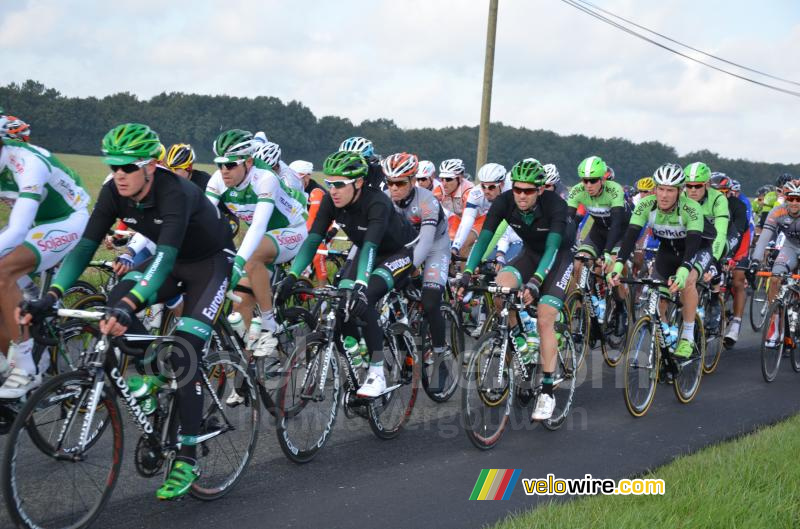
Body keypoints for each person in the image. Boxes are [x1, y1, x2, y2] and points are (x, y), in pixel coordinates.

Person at [20, 122, 235, 499]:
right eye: (113, 167)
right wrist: (51, 296)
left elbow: (164, 258)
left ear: (150, 166)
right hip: (170, 265)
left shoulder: (175, 192)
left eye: (127, 167)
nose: (118, 175)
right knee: (115, 295)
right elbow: (85, 248)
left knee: (185, 350)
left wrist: (129, 305)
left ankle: (187, 457)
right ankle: (152, 369)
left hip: (209, 265)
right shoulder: (112, 192)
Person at [275, 151, 418, 397]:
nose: (333, 190)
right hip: (366, 250)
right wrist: (292, 276)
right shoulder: (332, 201)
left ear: (359, 182)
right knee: (343, 299)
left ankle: (376, 373)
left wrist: (361, 284)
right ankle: (357, 351)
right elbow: (313, 240)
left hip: (396, 253)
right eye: (330, 184)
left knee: (364, 298)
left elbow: (372, 246)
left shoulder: (377, 203)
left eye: (340, 184)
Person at [457, 159, 575, 421]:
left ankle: (546, 391)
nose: (522, 195)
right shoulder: (505, 201)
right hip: (530, 254)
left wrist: (536, 280)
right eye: (518, 189)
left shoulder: (555, 205)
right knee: (500, 288)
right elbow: (485, 236)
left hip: (558, 258)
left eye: (528, 191)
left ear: (540, 189)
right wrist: (467, 272)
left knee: (545, 317)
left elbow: (553, 248)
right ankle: (521, 336)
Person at [0, 117, 90, 397]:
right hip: (38, 224)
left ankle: (26, 368)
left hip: (68, 218)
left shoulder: (26, 163)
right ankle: (10, 361)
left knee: (3, 273)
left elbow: (18, 229)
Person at [205, 129, 308, 361]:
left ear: (248, 162)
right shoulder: (218, 180)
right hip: (262, 238)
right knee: (240, 308)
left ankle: (269, 323)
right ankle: (247, 379)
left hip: (292, 229)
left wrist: (238, 263)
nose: (224, 171)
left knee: (251, 257)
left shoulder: (265, 178)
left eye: (230, 165)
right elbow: (202, 219)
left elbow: (259, 226)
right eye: (220, 164)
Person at [609, 164, 714, 359]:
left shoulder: (691, 209)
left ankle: (687, 338)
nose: (664, 195)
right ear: (655, 189)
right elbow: (630, 237)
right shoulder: (645, 204)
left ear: (680, 191)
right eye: (661, 189)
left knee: (688, 281)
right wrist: (617, 265)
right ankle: (666, 333)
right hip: (667, 251)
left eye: (670, 190)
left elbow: (692, 246)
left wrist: (683, 271)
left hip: (698, 249)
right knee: (658, 296)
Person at [382, 153, 452, 370]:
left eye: (400, 183)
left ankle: (440, 359)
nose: (394, 188)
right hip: (407, 245)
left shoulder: (427, 200)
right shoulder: (384, 199)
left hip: (434, 247)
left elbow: (426, 242)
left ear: (413, 181)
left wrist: (408, 268)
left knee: (431, 302)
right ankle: (406, 348)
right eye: (390, 182)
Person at [750, 181, 800, 346]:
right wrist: (755, 261)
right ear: (785, 198)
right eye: (790, 198)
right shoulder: (778, 211)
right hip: (790, 247)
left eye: (798, 199)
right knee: (775, 277)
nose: (794, 203)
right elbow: (764, 238)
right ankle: (775, 324)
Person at [706, 174, 748, 346]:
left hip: (738, 240)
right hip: (714, 240)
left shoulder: (737, 206)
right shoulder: (705, 203)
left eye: (724, 192)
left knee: (738, 280)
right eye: (717, 192)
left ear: (729, 192)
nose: (720, 196)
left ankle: (736, 324)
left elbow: (736, 233)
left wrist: (730, 257)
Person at [450, 162, 509, 259]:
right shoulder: (475, 194)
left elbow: (508, 227)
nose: (486, 191)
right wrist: (455, 246)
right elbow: (467, 221)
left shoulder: (511, 192)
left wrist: (501, 250)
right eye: (483, 186)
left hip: (509, 225)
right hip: (488, 219)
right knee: (465, 245)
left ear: (501, 184)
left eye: (491, 187)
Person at [433, 158, 473, 243]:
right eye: (442, 179)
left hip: (477, 222)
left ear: (460, 177)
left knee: (462, 246)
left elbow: (468, 220)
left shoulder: (468, 192)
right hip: (459, 219)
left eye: (448, 179)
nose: (444, 183)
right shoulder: (440, 189)